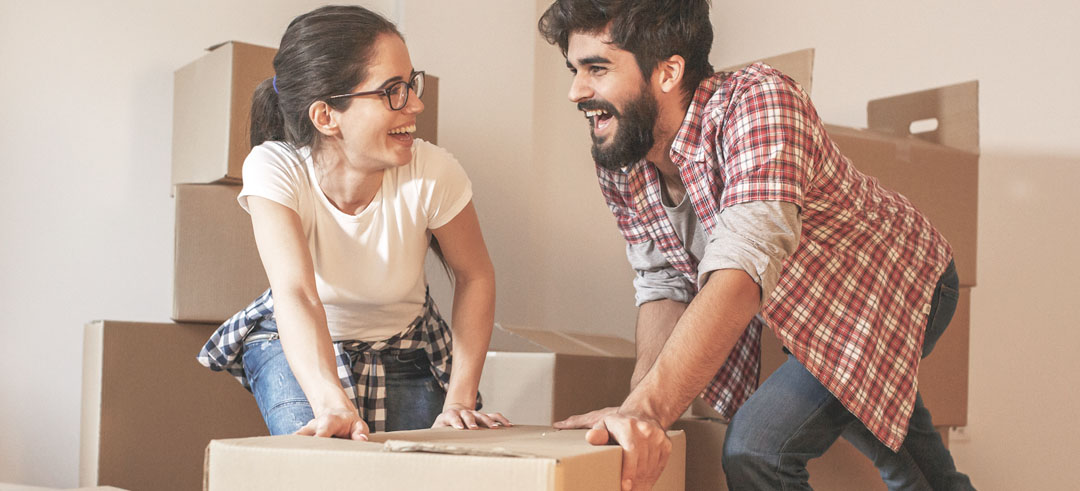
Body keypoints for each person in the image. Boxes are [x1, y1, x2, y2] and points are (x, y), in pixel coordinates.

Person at [538, 1, 975, 490]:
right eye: (574, 69)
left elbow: (744, 268)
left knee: (759, 451)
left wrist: (649, 410)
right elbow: (662, 282)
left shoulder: (759, 101)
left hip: (895, 282)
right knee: (911, 465)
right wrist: (636, 407)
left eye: (597, 68)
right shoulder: (624, 156)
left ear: (668, 72)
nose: (577, 91)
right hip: (814, 308)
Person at [198, 5, 508, 439]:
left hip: (408, 344)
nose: (416, 103)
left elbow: (475, 275)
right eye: (392, 91)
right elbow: (298, 294)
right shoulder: (276, 169)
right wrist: (330, 403)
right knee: (322, 466)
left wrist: (459, 400)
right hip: (296, 342)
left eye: (411, 84)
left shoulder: (433, 171)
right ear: (326, 117)